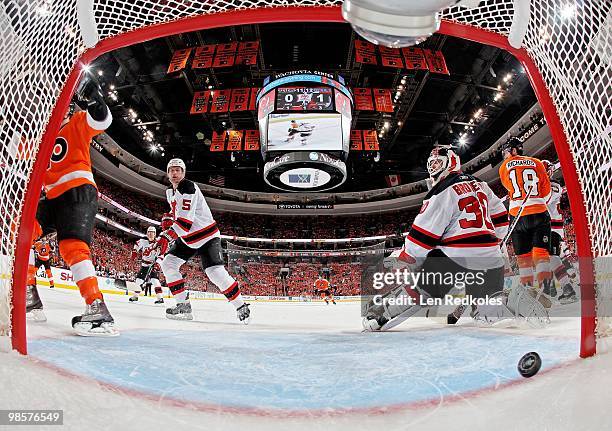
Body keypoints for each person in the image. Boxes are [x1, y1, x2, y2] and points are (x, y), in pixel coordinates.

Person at [363, 146, 516, 331]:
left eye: (438, 162)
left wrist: (405, 261)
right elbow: (501, 217)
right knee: (486, 314)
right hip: (491, 260)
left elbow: (422, 238)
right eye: (432, 163)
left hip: (455, 259)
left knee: (422, 289)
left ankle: (382, 312)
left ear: (451, 162)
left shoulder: (441, 191)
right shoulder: (481, 184)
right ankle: (510, 300)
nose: (434, 167)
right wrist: (494, 244)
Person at [30, 78, 118, 336]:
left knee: (72, 246)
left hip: (77, 190)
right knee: (20, 234)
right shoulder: (40, 139)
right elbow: (14, 149)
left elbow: (102, 121)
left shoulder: (77, 122)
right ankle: (28, 295)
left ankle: (97, 306)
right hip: (51, 199)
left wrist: (95, 100)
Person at [156, 158, 251, 322]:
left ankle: (241, 306)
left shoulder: (188, 186)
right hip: (188, 238)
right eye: (171, 170)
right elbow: (178, 214)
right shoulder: (169, 191)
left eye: (178, 170)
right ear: (167, 173)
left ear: (183, 173)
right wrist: (170, 218)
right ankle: (183, 306)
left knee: (215, 273)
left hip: (206, 236)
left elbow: (185, 222)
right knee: (168, 264)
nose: (175, 173)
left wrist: (166, 236)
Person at [499, 138, 554, 298]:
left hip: (517, 216)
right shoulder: (536, 162)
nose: (505, 154)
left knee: (523, 257)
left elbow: (508, 186)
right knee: (540, 252)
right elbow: (547, 193)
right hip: (539, 211)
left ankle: (528, 293)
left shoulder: (503, 167)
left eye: (507, 151)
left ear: (514, 150)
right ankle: (546, 290)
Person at [542, 160, 578, 303]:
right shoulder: (552, 184)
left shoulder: (553, 185)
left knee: (551, 256)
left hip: (552, 227)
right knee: (559, 256)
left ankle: (567, 288)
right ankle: (574, 277)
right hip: (555, 226)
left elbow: (544, 201)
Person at [130, 226, 163, 304]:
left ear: (155, 234)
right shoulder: (143, 240)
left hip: (153, 265)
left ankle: (160, 298)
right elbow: (136, 244)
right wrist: (135, 251)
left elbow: (161, 255)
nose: (150, 234)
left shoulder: (158, 243)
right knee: (139, 280)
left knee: (155, 280)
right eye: (149, 232)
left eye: (152, 232)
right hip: (144, 265)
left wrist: (157, 264)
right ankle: (135, 296)